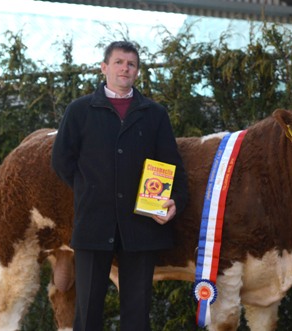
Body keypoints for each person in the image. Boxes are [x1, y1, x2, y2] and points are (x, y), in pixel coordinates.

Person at [52, 41, 188, 331]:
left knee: (137, 314)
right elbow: (62, 160)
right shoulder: (79, 110)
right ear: (104, 68)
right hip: (93, 222)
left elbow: (171, 165)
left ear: (137, 72)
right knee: (87, 312)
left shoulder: (155, 114)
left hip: (142, 224)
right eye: (119, 62)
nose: (125, 68)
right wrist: (89, 189)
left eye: (131, 64)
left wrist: (174, 200)